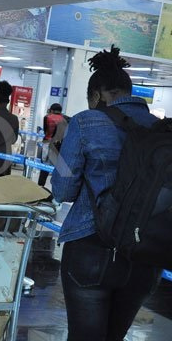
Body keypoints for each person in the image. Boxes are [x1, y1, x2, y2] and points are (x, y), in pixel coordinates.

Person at [51, 46, 161, 341]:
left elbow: (63, 189)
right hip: (146, 253)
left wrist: (57, 154)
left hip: (91, 246)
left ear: (97, 96)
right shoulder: (160, 129)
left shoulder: (86, 122)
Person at [37, 103, 67, 186]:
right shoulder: (64, 119)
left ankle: (40, 187)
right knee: (57, 170)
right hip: (59, 146)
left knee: (44, 169)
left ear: (52, 110)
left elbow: (46, 131)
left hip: (47, 144)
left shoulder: (47, 117)